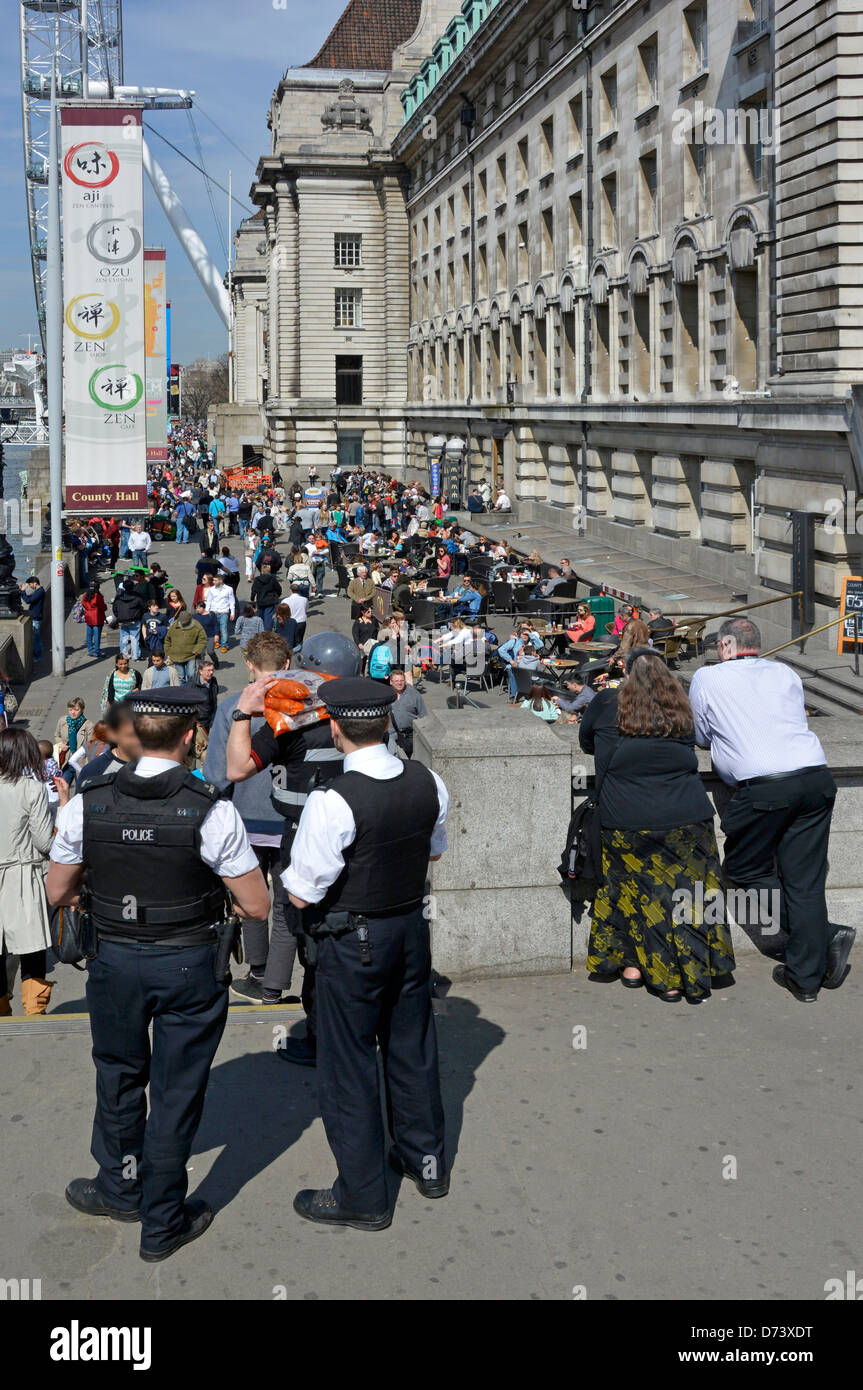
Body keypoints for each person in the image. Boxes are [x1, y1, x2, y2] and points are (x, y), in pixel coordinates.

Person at [47, 685, 269, 1261]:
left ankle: (120, 1187)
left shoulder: (87, 800)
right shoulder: (209, 808)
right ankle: (162, 1221)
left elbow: (57, 888)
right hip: (189, 962)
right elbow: (256, 905)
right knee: (176, 1091)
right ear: (191, 737)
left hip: (114, 960)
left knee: (119, 1076)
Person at [280, 676, 449, 1229]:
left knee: (349, 1064)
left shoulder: (332, 800)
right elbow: (434, 857)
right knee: (412, 1047)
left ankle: (364, 1195)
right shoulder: (429, 781)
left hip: (353, 941)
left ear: (335, 727)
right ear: (386, 723)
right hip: (409, 928)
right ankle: (426, 1163)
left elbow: (304, 890)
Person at [688, 617, 852, 1002]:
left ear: (726, 645)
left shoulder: (708, 678)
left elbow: (699, 735)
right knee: (805, 883)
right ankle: (805, 979)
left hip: (765, 789)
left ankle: (825, 935)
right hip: (815, 779)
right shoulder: (785, 673)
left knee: (743, 869)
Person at [226, 631, 360, 1048]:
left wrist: (242, 716)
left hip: (299, 844)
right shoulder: (370, 717)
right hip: (356, 844)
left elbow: (237, 769)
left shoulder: (291, 721)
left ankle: (320, 1033)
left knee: (308, 936)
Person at [579, 648, 735, 1003]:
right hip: (688, 820)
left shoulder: (605, 703)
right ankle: (695, 972)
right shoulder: (680, 711)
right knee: (691, 898)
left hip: (627, 821)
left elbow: (586, 742)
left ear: (627, 674)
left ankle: (642, 971)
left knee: (635, 896)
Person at [204, 632, 296, 1005]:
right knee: (287, 903)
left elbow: (216, 775)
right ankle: (275, 983)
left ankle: (257, 970)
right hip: (291, 820)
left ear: (249, 665)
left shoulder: (230, 709)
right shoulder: (302, 705)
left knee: (251, 898)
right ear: (288, 664)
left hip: (245, 820)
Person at [0, 727, 57, 1017]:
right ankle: (34, 1007)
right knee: (32, 945)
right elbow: (44, 841)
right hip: (22, 873)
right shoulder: (31, 788)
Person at [386, 667, 427, 758]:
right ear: (391, 682)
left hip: (409, 736)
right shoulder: (385, 695)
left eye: (402, 680)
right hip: (390, 736)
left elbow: (423, 716)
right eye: (396, 681)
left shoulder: (414, 694)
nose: (399, 683)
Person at [498, 622, 545, 699]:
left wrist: (531, 634)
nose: (525, 636)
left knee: (536, 672)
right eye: (523, 634)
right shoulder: (515, 641)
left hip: (528, 665)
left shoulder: (531, 644)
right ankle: (514, 695)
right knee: (514, 672)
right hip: (516, 665)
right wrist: (511, 661)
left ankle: (530, 692)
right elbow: (501, 650)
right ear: (520, 634)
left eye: (527, 635)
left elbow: (541, 645)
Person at [164, 609, 208, 683]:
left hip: (191, 655)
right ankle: (184, 692)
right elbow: (167, 640)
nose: (183, 623)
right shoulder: (174, 625)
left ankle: (192, 690)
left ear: (190, 619)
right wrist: (168, 652)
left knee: (191, 674)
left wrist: (197, 649)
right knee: (180, 677)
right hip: (176, 656)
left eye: (185, 622)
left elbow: (203, 639)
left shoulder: (196, 625)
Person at [55, 698, 95, 766]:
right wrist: (60, 743)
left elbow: (91, 746)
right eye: (70, 709)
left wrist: (87, 763)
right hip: (65, 760)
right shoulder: (62, 721)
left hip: (80, 762)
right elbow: (57, 735)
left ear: (82, 710)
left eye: (76, 710)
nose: (73, 712)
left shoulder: (89, 725)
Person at [113, 579, 146, 660]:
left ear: (123, 587)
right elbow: (144, 608)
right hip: (134, 619)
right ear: (133, 587)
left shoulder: (119, 597)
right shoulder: (138, 597)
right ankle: (136, 655)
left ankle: (124, 655)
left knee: (123, 638)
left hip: (122, 620)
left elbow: (115, 609)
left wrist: (119, 616)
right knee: (134, 638)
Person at [204, 572, 235, 653]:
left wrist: (232, 613)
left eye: (215, 580)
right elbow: (209, 601)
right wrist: (207, 611)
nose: (213, 582)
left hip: (224, 611)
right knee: (215, 628)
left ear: (220, 580)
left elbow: (232, 601)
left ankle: (224, 644)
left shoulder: (229, 589)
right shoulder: (211, 589)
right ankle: (217, 641)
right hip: (213, 612)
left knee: (223, 629)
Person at [20, 576, 46, 661]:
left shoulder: (40, 592)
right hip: (36, 616)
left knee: (35, 638)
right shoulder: (38, 591)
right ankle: (40, 654)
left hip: (36, 617)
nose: (30, 586)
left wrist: (22, 592)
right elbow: (29, 598)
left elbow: (28, 600)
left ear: (35, 583)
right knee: (37, 637)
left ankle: (37, 656)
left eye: (30, 584)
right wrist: (23, 592)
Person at [251, 566, 282, 632]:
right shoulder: (272, 579)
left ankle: (259, 632)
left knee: (260, 618)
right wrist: (277, 596)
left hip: (260, 601)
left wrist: (252, 600)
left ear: (262, 571)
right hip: (270, 601)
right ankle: (267, 633)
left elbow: (253, 591)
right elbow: (278, 588)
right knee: (268, 620)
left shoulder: (257, 579)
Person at [81, 583, 108, 659]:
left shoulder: (85, 595)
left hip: (88, 617)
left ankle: (90, 650)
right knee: (97, 635)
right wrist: (105, 606)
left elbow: (83, 604)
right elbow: (103, 607)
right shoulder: (98, 596)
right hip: (97, 618)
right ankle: (97, 651)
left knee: (89, 635)